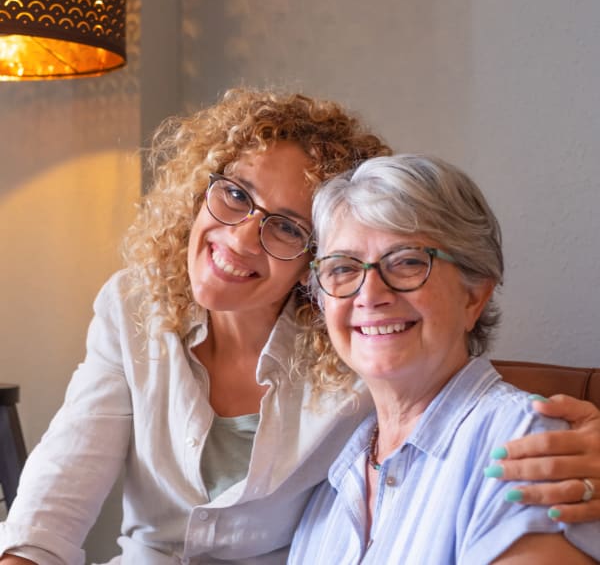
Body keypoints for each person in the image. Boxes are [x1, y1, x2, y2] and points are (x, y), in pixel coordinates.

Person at [0, 90, 598, 565]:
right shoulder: (131, 307)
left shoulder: (361, 356)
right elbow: (54, 498)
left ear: (310, 270)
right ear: (198, 191)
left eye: (287, 227)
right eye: (235, 194)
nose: (239, 238)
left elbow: (456, 394)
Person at [288, 154, 600, 564]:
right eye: (343, 268)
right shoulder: (330, 472)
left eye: (407, 262)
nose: (370, 293)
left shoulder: (527, 441)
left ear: (474, 294)